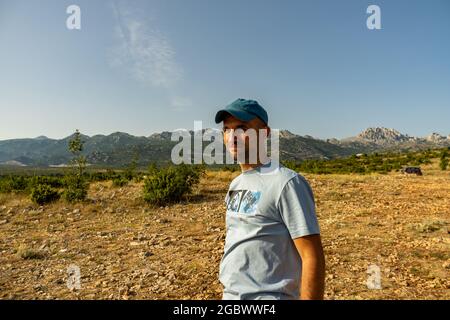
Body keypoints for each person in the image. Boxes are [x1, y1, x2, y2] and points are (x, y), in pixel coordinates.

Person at [215, 98, 325, 300]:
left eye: (241, 128)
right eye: (227, 129)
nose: (233, 136)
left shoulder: (287, 182)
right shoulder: (236, 185)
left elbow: (312, 256)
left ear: (264, 133)